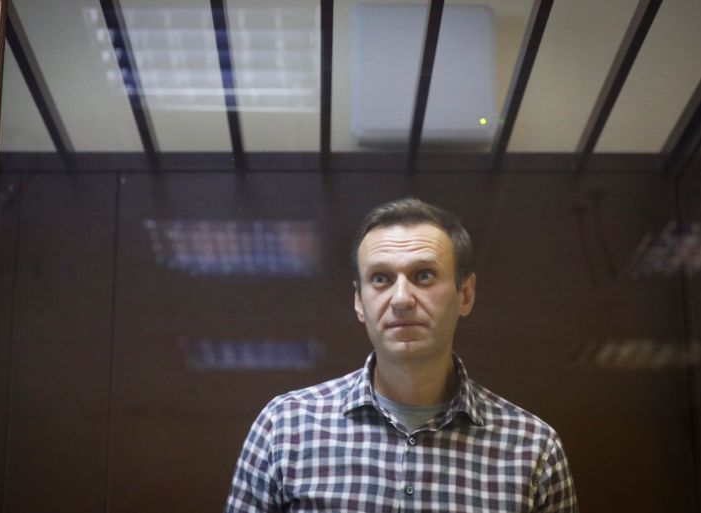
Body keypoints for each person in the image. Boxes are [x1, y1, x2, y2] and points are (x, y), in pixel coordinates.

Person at [225, 197, 578, 512]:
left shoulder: (534, 448)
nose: (401, 299)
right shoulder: (285, 427)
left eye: (423, 275)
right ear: (359, 301)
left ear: (466, 294)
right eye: (380, 279)